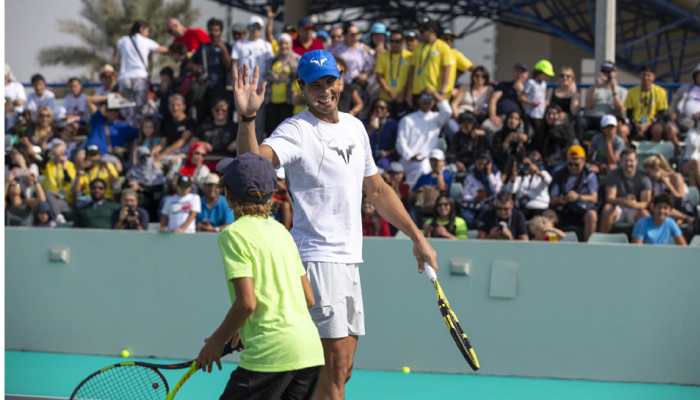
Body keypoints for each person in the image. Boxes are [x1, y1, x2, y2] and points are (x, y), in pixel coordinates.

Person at [232, 50, 438, 399]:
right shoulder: (296, 130)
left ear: (340, 81)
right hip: (315, 259)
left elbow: (376, 189)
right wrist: (248, 117)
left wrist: (418, 238)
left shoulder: (356, 128)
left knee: (341, 371)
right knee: (331, 367)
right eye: (315, 85)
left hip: (348, 261)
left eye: (330, 82)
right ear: (302, 88)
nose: (324, 90)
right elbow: (252, 166)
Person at [196, 153, 324, 398]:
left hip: (270, 354)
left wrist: (215, 342)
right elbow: (308, 298)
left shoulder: (233, 235)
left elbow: (247, 303)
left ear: (229, 195)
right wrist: (242, 330)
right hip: (309, 352)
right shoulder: (281, 231)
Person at [114, 20, 168, 122]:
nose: (148, 34)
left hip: (124, 78)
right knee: (140, 108)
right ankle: (140, 131)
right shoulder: (145, 41)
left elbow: (115, 60)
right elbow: (162, 50)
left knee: (127, 109)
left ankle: (130, 129)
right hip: (140, 77)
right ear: (141, 29)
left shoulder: (122, 40)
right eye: (147, 31)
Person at [396, 91, 452, 186]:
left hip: (429, 161)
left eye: (429, 100)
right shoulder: (407, 119)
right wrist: (411, 156)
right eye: (424, 100)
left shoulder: (436, 118)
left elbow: (448, 111)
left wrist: (434, 93)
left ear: (433, 102)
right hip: (409, 160)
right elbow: (400, 142)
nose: (427, 103)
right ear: (419, 101)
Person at [549, 145, 599, 241]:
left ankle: (589, 247)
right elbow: (552, 200)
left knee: (592, 215)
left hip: (582, 211)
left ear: (583, 161)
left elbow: (594, 198)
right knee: (548, 215)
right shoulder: (559, 174)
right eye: (570, 164)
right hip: (564, 210)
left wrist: (578, 197)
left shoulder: (590, 175)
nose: (573, 167)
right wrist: (561, 200)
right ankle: (552, 244)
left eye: (576, 164)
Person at [599, 149, 651, 233]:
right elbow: (609, 198)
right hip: (618, 207)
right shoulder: (613, 174)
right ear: (621, 162)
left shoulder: (643, 177)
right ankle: (601, 240)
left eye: (631, 161)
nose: (628, 164)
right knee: (607, 209)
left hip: (635, 208)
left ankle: (643, 243)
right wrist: (623, 201)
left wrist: (633, 204)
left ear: (636, 161)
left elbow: (646, 202)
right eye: (625, 161)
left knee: (645, 214)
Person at [404, 19, 454, 106]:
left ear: (431, 31)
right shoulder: (419, 47)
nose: (420, 33)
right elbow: (412, 71)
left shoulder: (442, 47)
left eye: (422, 31)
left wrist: (442, 92)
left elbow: (446, 71)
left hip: (433, 92)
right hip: (417, 92)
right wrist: (409, 93)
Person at [191, 17, 233, 116]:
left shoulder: (227, 46)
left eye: (216, 30)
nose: (213, 33)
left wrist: (223, 50)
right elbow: (191, 63)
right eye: (211, 30)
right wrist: (196, 68)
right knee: (202, 117)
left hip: (220, 90)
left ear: (221, 31)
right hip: (204, 89)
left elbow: (229, 67)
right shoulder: (203, 47)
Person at [625, 67, 675, 144]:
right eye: (644, 75)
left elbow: (661, 113)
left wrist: (648, 124)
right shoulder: (632, 91)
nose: (646, 78)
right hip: (635, 122)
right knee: (623, 129)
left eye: (649, 75)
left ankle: (654, 153)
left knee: (657, 130)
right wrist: (636, 124)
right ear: (640, 76)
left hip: (652, 122)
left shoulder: (661, 92)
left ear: (653, 77)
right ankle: (627, 151)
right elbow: (629, 112)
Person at [265, 33, 299, 135]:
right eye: (281, 43)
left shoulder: (297, 59)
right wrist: (276, 77)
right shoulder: (272, 60)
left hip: (288, 101)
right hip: (272, 101)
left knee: (286, 130)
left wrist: (283, 77)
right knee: (272, 130)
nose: (284, 46)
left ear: (291, 44)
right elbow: (267, 75)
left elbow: (299, 76)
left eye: (286, 43)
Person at [643, 154, 690, 223]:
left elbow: (680, 197)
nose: (648, 176)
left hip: (681, 207)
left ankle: (686, 218)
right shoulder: (653, 181)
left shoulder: (676, 176)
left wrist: (668, 184)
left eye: (648, 173)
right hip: (664, 209)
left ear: (657, 169)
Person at [505, 150, 552, 219]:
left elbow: (548, 180)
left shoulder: (543, 173)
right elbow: (511, 190)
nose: (529, 166)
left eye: (532, 163)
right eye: (527, 164)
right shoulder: (521, 176)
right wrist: (513, 178)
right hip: (522, 208)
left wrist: (537, 171)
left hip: (539, 208)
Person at [375, 30, 412, 116]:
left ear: (403, 42)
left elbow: (411, 76)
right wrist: (389, 92)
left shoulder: (409, 56)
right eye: (392, 41)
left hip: (403, 98)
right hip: (385, 98)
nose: (394, 44)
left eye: (398, 41)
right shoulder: (383, 56)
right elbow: (379, 76)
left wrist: (403, 92)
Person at [584, 60, 627, 132]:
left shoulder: (622, 91)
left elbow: (620, 110)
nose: (607, 74)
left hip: (608, 119)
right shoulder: (593, 88)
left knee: (608, 124)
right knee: (580, 122)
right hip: (592, 117)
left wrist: (614, 91)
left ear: (615, 73)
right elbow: (589, 106)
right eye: (604, 71)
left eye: (609, 72)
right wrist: (595, 87)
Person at [461, 152, 502, 226]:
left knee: (488, 211)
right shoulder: (471, 176)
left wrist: (489, 174)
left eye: (483, 163)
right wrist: (475, 197)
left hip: (489, 203)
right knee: (465, 214)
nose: (481, 165)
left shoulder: (496, 174)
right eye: (479, 162)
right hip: (474, 203)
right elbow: (465, 194)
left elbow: (497, 190)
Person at [485, 64, 528, 133]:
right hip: (501, 117)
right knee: (486, 126)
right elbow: (493, 100)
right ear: (513, 73)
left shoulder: (529, 89)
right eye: (517, 71)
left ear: (526, 75)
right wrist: (493, 115)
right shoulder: (503, 85)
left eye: (522, 72)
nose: (519, 74)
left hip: (517, 119)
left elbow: (526, 108)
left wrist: (520, 92)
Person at [523, 59, 555, 149]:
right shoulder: (530, 83)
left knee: (541, 137)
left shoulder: (544, 84)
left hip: (541, 115)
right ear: (539, 72)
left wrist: (546, 102)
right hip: (531, 115)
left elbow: (542, 97)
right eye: (546, 75)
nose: (547, 77)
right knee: (531, 136)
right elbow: (522, 97)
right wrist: (530, 102)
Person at [332, 22, 374, 87]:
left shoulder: (364, 48)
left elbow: (371, 66)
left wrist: (365, 75)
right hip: (343, 85)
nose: (355, 36)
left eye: (357, 34)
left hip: (361, 84)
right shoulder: (337, 49)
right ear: (345, 35)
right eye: (352, 34)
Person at [365, 99, 398, 170]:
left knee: (383, 165)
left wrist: (387, 153)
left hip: (385, 158)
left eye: (382, 108)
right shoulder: (364, 123)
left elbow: (399, 145)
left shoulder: (393, 125)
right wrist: (371, 128)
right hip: (367, 157)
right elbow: (359, 141)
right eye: (376, 107)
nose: (378, 110)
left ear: (387, 112)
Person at [440, 28, 473, 98]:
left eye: (451, 39)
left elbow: (472, 68)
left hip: (447, 93)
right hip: (433, 91)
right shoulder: (433, 52)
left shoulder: (455, 53)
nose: (448, 41)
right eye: (445, 39)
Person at [680, 118, 700, 190]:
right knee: (695, 162)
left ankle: (693, 197)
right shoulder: (691, 132)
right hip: (687, 162)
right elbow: (695, 144)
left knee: (692, 174)